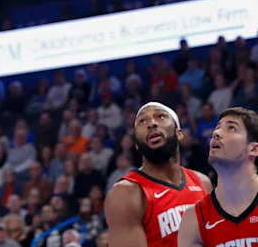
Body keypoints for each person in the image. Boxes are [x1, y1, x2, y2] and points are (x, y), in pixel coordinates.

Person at [104, 102, 212, 247]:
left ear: (179, 133)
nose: (151, 124)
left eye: (160, 117)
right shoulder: (126, 193)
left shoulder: (202, 182)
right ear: (136, 144)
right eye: (142, 121)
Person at [177, 107, 258, 246]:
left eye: (231, 128)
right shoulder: (194, 219)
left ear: (253, 149)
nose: (216, 133)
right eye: (217, 127)